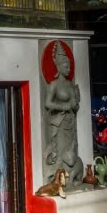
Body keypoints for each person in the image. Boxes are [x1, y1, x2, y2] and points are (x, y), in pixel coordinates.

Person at [44, 42, 83, 185]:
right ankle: (57, 181)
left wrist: (75, 106)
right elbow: (47, 104)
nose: (69, 69)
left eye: (70, 66)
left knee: (71, 151)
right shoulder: (54, 85)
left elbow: (74, 105)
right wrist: (65, 106)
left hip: (70, 122)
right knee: (60, 152)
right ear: (58, 67)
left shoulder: (71, 85)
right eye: (66, 66)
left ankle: (69, 177)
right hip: (59, 123)